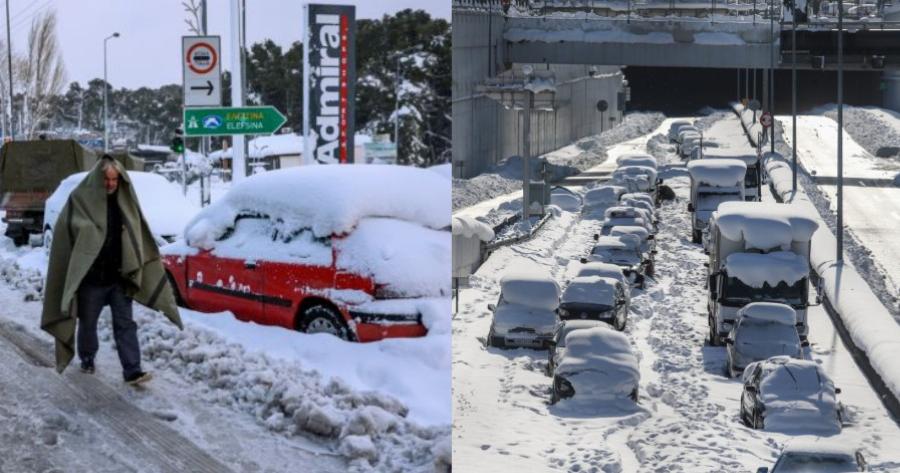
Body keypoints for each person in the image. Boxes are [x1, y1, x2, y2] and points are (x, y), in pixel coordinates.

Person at [41, 155, 183, 385]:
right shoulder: (80, 200)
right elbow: (65, 236)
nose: (110, 185)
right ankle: (87, 358)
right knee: (88, 323)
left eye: (115, 180)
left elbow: (138, 234)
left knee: (126, 324)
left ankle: (132, 371)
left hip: (119, 277)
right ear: (98, 178)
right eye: (106, 180)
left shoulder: (125, 202)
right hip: (91, 279)